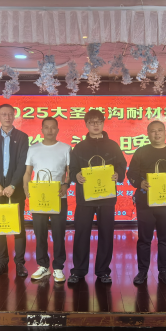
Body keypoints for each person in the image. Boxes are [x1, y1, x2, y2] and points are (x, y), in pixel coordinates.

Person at [67, 109, 127, 285]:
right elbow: (73, 168)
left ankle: (103, 271)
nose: (95, 125)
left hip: (107, 198)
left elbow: (122, 164)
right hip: (85, 198)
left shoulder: (113, 145)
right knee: (81, 233)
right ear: (86, 124)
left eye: (99, 122)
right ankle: (78, 270)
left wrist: (118, 174)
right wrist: (76, 176)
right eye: (92, 122)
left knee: (106, 234)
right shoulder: (79, 147)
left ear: (103, 123)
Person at [128, 121, 166, 286]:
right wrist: (139, 183)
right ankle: (142, 271)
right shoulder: (141, 152)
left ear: (165, 132)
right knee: (144, 239)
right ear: (148, 134)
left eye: (160, 130)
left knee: (165, 238)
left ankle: (163, 272)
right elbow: (131, 173)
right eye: (153, 131)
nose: (157, 134)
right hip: (145, 202)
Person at [0, 103, 29, 279]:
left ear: (14, 115)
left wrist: (13, 185)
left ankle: (20, 263)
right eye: (4, 114)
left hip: (15, 189)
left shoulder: (22, 137)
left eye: (10, 114)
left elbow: (23, 163)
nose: (7, 117)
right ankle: (2, 262)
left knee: (18, 226)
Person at [23, 117, 70, 283]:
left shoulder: (66, 148)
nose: (50, 130)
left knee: (58, 233)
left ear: (58, 130)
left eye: (53, 127)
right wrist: (26, 189)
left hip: (58, 196)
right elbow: (28, 172)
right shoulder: (33, 149)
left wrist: (66, 185)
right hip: (39, 196)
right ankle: (43, 266)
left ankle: (58, 267)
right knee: (40, 232)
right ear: (41, 130)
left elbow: (69, 171)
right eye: (47, 127)